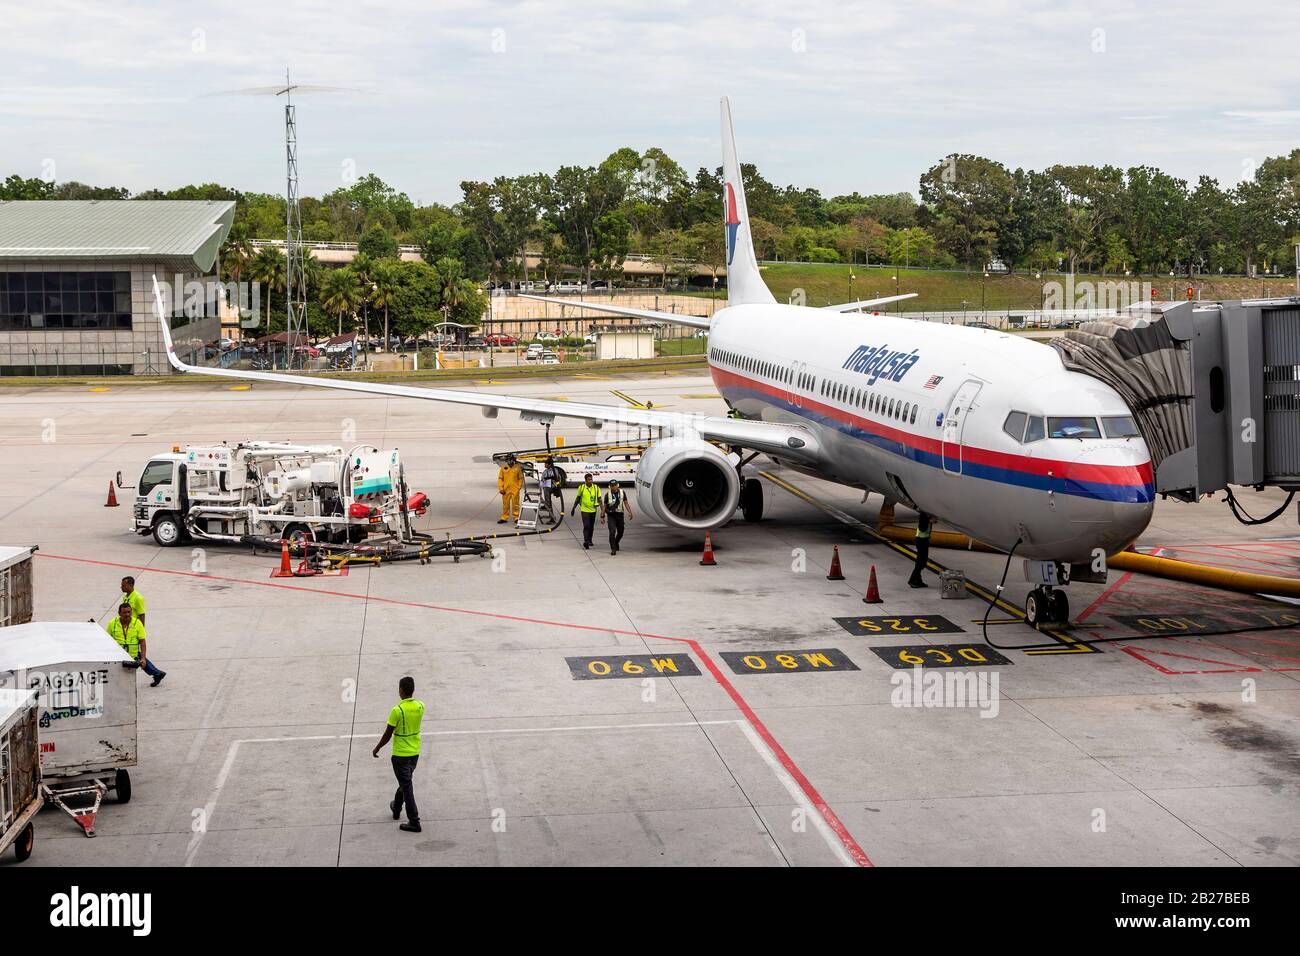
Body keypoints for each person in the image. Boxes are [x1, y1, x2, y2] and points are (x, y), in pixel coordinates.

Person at [372, 675, 425, 833]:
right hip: (414, 753)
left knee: (407, 785)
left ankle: (414, 821)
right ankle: (396, 806)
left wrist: (377, 747)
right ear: (413, 690)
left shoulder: (397, 710)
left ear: (401, 690)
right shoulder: (421, 706)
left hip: (400, 755)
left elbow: (388, 734)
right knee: (405, 782)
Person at [106, 603, 166, 687]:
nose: (127, 614)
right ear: (119, 613)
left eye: (129, 612)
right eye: (124, 613)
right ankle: (157, 673)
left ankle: (157, 673)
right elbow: (107, 640)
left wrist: (143, 658)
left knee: (127, 680)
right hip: (118, 656)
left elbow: (142, 641)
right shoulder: (112, 624)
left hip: (132, 656)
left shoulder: (137, 623)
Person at [600, 479, 634, 555]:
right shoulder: (607, 494)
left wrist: (630, 512)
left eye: (615, 485)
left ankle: (616, 542)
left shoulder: (622, 492)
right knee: (612, 531)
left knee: (621, 532)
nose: (613, 487)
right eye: (612, 486)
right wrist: (602, 516)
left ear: (617, 485)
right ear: (610, 486)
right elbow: (604, 506)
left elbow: (626, 503)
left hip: (620, 515)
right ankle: (613, 548)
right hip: (611, 515)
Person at [570, 473, 601, 549]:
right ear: (585, 480)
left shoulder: (596, 488)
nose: (591, 481)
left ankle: (590, 540)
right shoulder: (582, 487)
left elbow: (600, 499)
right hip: (584, 510)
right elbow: (578, 498)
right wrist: (573, 508)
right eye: (589, 480)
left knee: (591, 526)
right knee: (586, 525)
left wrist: (603, 510)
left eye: (591, 479)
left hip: (593, 510)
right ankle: (586, 541)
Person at [497, 454, 524, 524]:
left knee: (515, 504)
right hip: (505, 490)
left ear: (514, 460)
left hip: (515, 489)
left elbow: (521, 478)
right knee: (505, 504)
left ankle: (516, 518)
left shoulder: (517, 468)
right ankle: (504, 517)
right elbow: (500, 479)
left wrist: (519, 487)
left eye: (511, 460)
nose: (510, 461)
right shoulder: (503, 468)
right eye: (509, 460)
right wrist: (501, 488)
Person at [908, 513, 932, 588]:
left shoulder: (926, 515)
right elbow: (922, 528)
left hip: (924, 540)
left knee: (922, 561)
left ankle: (918, 580)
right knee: (920, 562)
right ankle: (912, 580)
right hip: (921, 541)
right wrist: (929, 521)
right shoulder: (923, 515)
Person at [540, 457, 564, 523]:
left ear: (550, 464)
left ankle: (547, 506)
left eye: (546, 463)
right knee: (545, 491)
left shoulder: (554, 470)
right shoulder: (545, 471)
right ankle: (547, 504)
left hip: (552, 487)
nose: (545, 465)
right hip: (547, 486)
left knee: (548, 503)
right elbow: (542, 480)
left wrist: (547, 479)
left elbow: (555, 477)